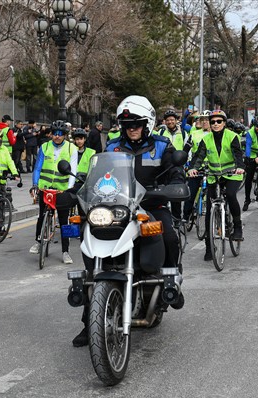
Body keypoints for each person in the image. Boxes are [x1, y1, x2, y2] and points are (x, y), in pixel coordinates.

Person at [72, 95, 186, 347]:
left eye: (136, 123)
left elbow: (175, 170)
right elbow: (97, 174)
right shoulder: (112, 146)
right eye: (126, 124)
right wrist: (79, 186)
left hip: (151, 205)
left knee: (168, 234)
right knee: (88, 237)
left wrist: (177, 183)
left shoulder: (161, 145)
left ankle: (171, 280)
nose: (131, 128)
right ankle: (88, 321)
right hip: (117, 209)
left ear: (147, 123)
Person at [188, 109, 244, 261]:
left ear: (224, 123)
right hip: (213, 176)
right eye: (213, 122)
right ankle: (209, 247)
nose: (215, 124)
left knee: (231, 195)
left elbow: (238, 154)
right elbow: (199, 157)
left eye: (219, 121)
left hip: (232, 174)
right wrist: (193, 168)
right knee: (209, 209)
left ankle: (237, 227)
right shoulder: (206, 140)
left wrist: (240, 167)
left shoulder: (232, 137)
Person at [29, 120, 77, 265]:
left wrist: (68, 189)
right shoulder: (44, 147)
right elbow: (37, 168)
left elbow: (73, 170)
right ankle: (38, 241)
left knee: (64, 222)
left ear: (64, 135)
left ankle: (65, 251)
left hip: (61, 189)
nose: (57, 136)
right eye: (54, 134)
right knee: (41, 215)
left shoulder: (71, 149)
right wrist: (35, 185)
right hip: (45, 188)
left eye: (60, 134)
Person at [182, 111, 211, 222]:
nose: (204, 122)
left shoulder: (216, 135)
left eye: (207, 120)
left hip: (212, 169)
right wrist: (182, 161)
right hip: (196, 167)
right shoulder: (194, 134)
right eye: (202, 120)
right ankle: (186, 216)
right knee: (191, 192)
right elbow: (186, 150)